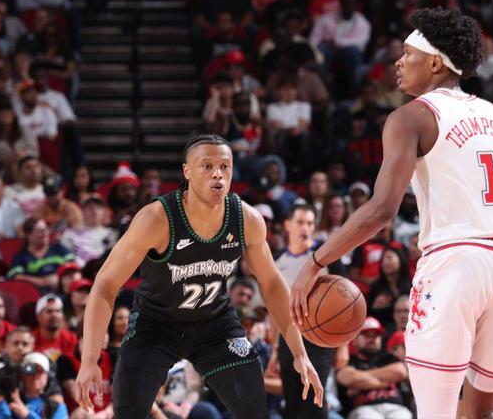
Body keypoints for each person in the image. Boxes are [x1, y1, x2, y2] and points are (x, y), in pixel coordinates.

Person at [291, 8, 493, 419]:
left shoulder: (411, 117)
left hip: (454, 264)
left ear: (436, 63)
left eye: (408, 54)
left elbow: (381, 209)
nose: (399, 62)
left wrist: (315, 262)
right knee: (484, 414)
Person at [74, 134, 323, 418]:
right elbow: (105, 284)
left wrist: (299, 353)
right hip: (155, 327)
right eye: (207, 166)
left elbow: (272, 283)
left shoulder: (246, 219)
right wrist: (90, 359)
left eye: (225, 166)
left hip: (215, 326)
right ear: (187, 171)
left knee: (253, 409)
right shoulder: (156, 218)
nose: (218, 173)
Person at [273, 203, 346, 419]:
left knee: (315, 396)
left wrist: (343, 346)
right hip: (288, 334)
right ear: (287, 225)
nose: (305, 228)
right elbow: (274, 308)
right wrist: (275, 348)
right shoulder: (277, 260)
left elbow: (346, 301)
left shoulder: (326, 255)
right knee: (292, 401)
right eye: (300, 222)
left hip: (320, 335)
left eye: (310, 223)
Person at [336, 317, 412, 419]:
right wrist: (385, 381)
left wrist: (361, 380)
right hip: (364, 409)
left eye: (376, 335)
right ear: (354, 340)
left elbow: (400, 372)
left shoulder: (388, 358)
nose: (372, 339)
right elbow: (346, 378)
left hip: (396, 408)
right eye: (367, 335)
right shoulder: (350, 361)